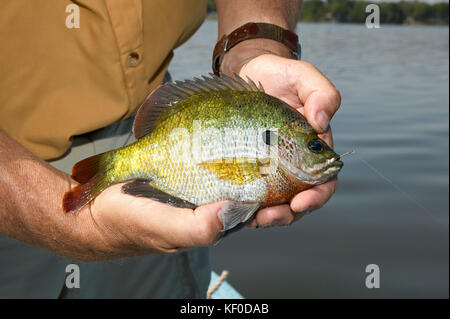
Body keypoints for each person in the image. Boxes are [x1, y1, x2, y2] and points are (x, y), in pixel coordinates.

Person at [0, 0, 341, 298]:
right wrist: (83, 225)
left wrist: (254, 46)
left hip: (145, 118)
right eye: (312, 147)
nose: (322, 155)